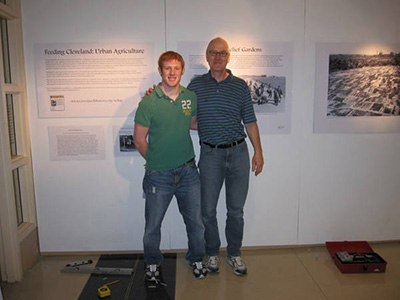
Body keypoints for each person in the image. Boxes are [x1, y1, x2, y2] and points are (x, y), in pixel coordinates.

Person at [187, 37, 264, 276]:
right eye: (213, 53)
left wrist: (258, 152)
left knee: (235, 210)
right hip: (210, 155)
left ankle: (234, 254)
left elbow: (250, 122)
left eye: (222, 53)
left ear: (228, 57)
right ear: (207, 56)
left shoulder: (240, 86)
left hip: (239, 153)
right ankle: (212, 253)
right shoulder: (196, 85)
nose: (217, 57)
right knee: (207, 210)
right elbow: (188, 120)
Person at [134, 51, 207, 282]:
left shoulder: (190, 97)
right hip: (159, 176)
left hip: (188, 172)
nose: (172, 72)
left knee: (195, 221)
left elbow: (192, 122)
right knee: (153, 226)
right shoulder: (148, 101)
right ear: (160, 71)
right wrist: (157, 161)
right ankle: (153, 264)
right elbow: (139, 140)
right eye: (168, 68)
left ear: (183, 70)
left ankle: (196, 258)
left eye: (176, 68)